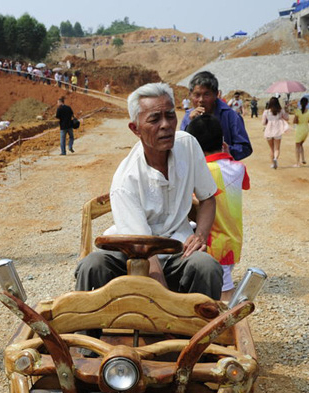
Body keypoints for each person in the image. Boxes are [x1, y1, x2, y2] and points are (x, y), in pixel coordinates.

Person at [75, 83, 222, 299]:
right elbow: (143, 252)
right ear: (135, 129)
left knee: (207, 266)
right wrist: (164, 304)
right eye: (154, 119)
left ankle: (204, 330)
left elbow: (208, 198)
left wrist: (200, 235)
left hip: (177, 247)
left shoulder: (188, 145)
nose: (166, 125)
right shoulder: (125, 180)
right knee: (92, 266)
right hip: (131, 252)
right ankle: (85, 330)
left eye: (170, 116)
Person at [185, 115, 250, 304]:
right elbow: (244, 184)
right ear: (222, 141)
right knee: (220, 284)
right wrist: (227, 154)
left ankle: (227, 326)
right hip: (232, 240)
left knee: (224, 296)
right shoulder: (239, 167)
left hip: (213, 242)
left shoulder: (200, 171)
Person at [180, 71, 253, 160]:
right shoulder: (188, 117)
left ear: (216, 95)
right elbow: (182, 147)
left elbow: (245, 148)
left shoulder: (230, 115)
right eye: (197, 95)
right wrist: (191, 123)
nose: (201, 100)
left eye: (206, 94)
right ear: (190, 95)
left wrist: (222, 152)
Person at [262, 97, 289, 169]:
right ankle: (275, 159)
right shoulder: (281, 111)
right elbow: (287, 118)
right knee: (277, 148)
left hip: (268, 131)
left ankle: (272, 164)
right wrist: (286, 111)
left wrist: (268, 121)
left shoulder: (266, 112)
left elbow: (263, 123)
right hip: (278, 131)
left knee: (271, 149)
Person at [293, 96, 309, 166]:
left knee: (297, 145)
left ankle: (297, 162)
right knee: (301, 144)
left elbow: (295, 121)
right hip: (306, 128)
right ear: (307, 103)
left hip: (299, 129)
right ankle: (303, 159)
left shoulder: (297, 111)